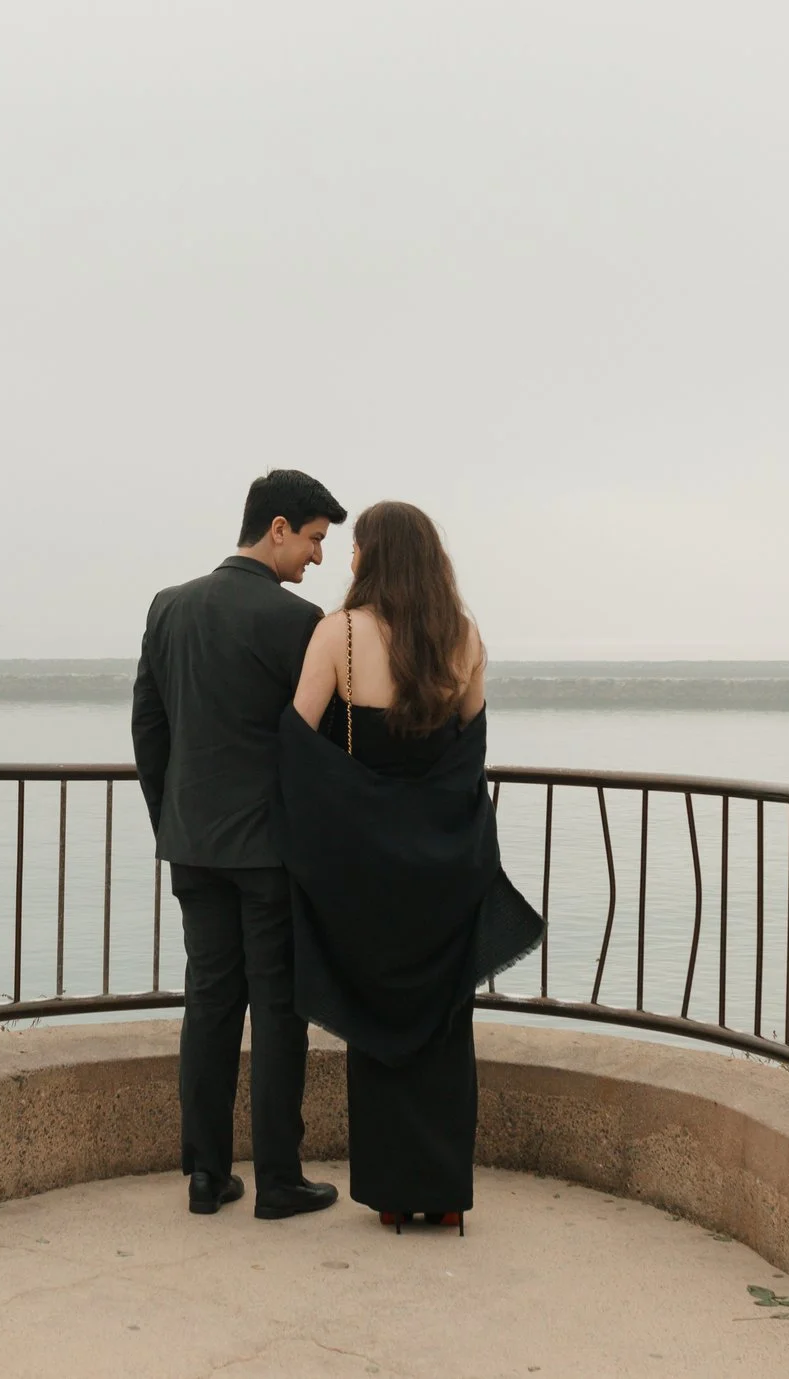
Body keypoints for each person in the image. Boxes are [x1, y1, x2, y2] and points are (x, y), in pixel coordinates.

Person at [276, 500, 541, 1231]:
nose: (349, 559)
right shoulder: (464, 637)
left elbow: (295, 741)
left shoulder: (339, 635)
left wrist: (337, 822)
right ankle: (447, 1192)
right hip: (446, 863)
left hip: (368, 867)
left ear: (376, 555)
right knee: (447, 1023)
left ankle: (392, 1193)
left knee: (375, 1016)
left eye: (356, 547)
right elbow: (469, 745)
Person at [132, 470, 348, 1220]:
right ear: (280, 527)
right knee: (278, 1008)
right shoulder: (299, 623)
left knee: (210, 1001)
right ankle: (279, 1179)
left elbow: (149, 730)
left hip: (192, 844)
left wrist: (173, 819)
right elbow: (318, 743)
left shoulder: (170, 607)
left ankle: (205, 1173)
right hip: (270, 851)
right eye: (317, 539)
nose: (319, 557)